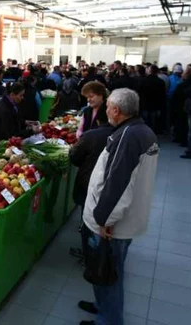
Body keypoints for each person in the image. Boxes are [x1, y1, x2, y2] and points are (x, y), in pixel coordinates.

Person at [77, 88, 158, 325]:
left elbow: (118, 183)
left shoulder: (128, 137)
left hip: (113, 225)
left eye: (109, 105)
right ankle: (102, 307)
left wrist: (104, 220)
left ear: (116, 110)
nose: (106, 110)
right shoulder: (141, 131)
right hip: (125, 219)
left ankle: (108, 320)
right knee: (106, 271)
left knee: (109, 273)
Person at [68, 120, 114, 261]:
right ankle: (99, 252)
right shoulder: (122, 134)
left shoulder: (91, 135)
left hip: (89, 183)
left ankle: (90, 254)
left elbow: (75, 157)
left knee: (88, 220)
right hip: (111, 185)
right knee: (104, 219)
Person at [138, 65, 167, 134]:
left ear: (150, 71)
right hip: (155, 105)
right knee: (153, 121)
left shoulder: (143, 80)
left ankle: (144, 134)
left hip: (145, 104)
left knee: (144, 120)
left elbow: (139, 92)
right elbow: (162, 95)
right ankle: (151, 134)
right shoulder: (161, 82)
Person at [171, 67, 191, 147]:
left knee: (181, 123)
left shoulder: (182, 84)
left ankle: (181, 138)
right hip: (189, 107)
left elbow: (175, 96)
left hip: (180, 106)